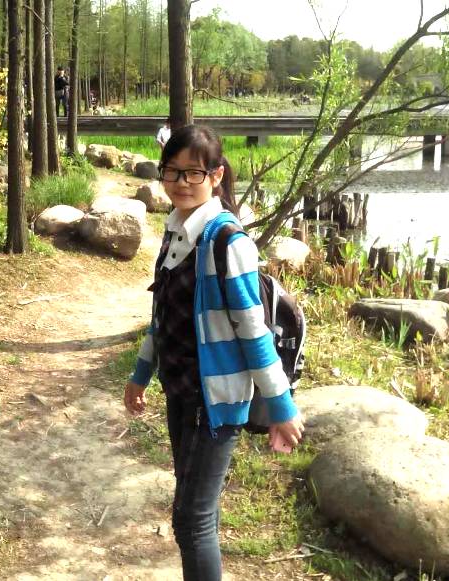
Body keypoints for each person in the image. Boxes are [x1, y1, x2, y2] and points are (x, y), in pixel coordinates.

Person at [124, 125, 305, 581]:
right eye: (172, 171)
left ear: (216, 176)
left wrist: (281, 406)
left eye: (194, 173)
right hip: (180, 391)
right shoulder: (175, 232)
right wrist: (141, 373)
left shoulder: (227, 243)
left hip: (216, 402)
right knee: (197, 505)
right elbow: (162, 314)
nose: (181, 182)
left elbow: (253, 332)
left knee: (191, 520)